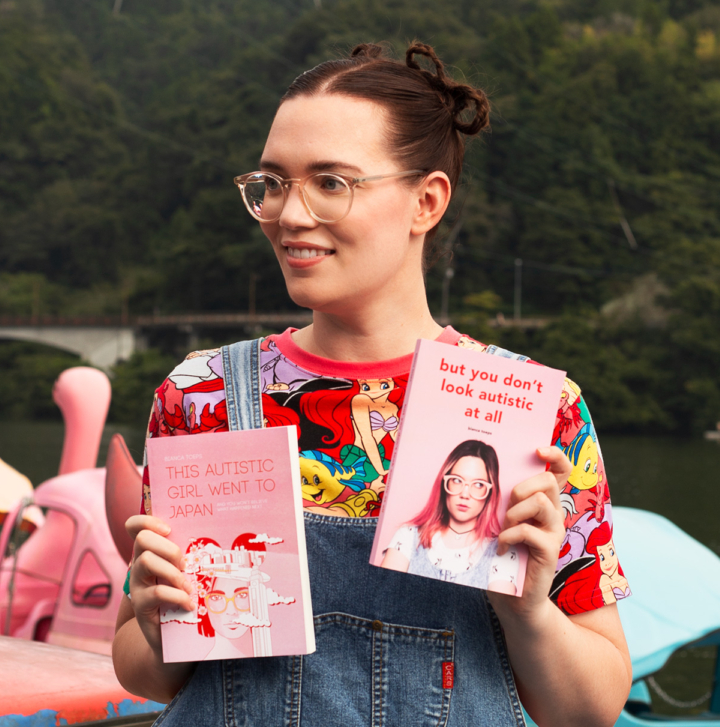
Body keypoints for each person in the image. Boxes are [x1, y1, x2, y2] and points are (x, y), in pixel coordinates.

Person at [113, 42, 632, 726]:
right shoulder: (203, 394)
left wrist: (527, 609)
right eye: (273, 181)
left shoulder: (534, 412)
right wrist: (156, 622)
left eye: (331, 182)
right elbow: (145, 669)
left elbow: (589, 708)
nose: (290, 214)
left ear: (426, 200)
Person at [380, 439, 521, 594]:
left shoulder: (502, 552)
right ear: (444, 483)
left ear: (490, 493)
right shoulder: (408, 537)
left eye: (479, 484)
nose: (465, 494)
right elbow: (383, 598)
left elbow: (499, 616)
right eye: (456, 480)